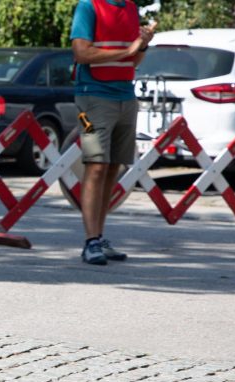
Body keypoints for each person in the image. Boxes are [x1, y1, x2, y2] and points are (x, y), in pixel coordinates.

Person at [70, 0, 156, 264]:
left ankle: (99, 235)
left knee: (112, 167)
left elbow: (134, 58)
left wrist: (142, 43)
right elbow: (81, 53)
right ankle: (90, 241)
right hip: (93, 97)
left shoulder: (130, 8)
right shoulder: (89, 6)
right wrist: (126, 50)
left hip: (125, 95)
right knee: (96, 165)